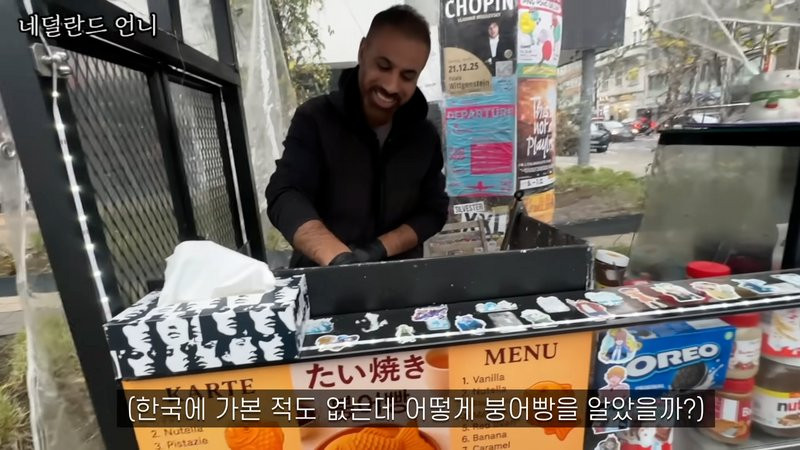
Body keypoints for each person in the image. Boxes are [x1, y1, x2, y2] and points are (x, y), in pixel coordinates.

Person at [266, 5, 449, 268]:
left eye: (407, 76)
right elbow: (285, 193)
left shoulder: (424, 137)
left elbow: (433, 210)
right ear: (363, 51)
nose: (391, 85)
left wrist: (377, 249)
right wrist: (340, 260)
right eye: (383, 66)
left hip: (398, 278)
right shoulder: (316, 119)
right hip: (322, 275)